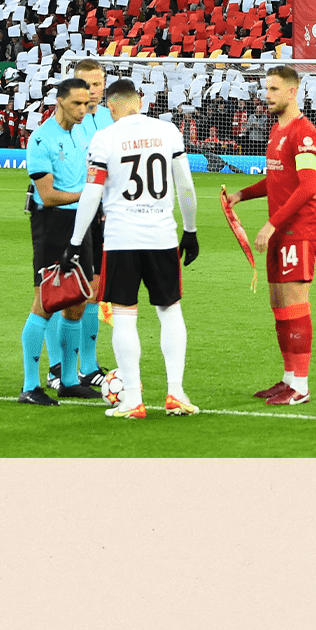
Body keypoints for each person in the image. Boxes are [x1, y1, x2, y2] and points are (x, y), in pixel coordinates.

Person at [70, 79, 201, 419]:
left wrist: (75, 241)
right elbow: (185, 183)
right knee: (170, 311)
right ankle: (176, 393)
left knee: (125, 317)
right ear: (139, 101)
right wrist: (191, 229)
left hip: (121, 238)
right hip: (162, 236)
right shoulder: (168, 132)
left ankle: (133, 399)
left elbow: (92, 193)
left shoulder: (105, 138)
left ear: (111, 107)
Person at [221, 64, 316, 406]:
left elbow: (307, 187)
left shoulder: (303, 132)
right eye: (266, 89)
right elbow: (276, 181)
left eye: (274, 89)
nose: (267, 95)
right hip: (282, 229)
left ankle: (302, 386)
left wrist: (272, 224)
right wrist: (241, 195)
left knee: (295, 304)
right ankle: (288, 379)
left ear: (293, 91)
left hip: (299, 229)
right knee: (279, 306)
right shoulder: (277, 130)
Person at [17, 78, 103, 406]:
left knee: (80, 298)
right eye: (77, 104)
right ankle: (30, 385)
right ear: (60, 101)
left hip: (83, 221)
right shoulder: (41, 138)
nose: (83, 110)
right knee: (46, 302)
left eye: (87, 104)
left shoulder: (85, 132)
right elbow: (48, 195)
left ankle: (69, 379)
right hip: (52, 222)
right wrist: (89, 195)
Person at [48, 59, 113, 393]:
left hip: (100, 213)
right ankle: (58, 366)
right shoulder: (64, 121)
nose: (94, 91)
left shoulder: (107, 117)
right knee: (61, 291)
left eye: (99, 84)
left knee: (94, 289)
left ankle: (87, 366)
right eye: (88, 85)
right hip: (69, 213)